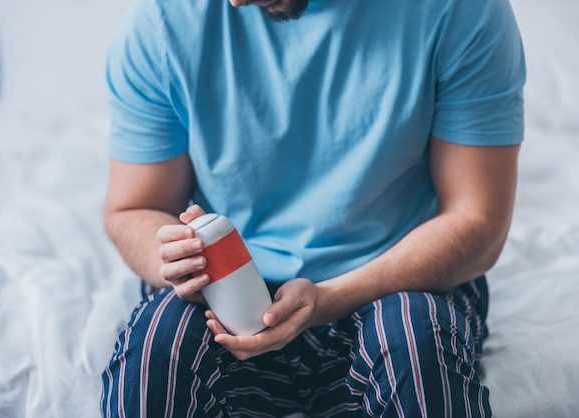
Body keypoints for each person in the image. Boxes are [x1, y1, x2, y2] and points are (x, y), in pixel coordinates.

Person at [100, 0, 525, 416]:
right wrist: (176, 260)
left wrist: (329, 298)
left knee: (417, 352)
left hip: (393, 279)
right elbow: (136, 207)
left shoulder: (460, 9)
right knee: (157, 358)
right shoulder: (162, 20)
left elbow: (477, 218)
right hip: (226, 293)